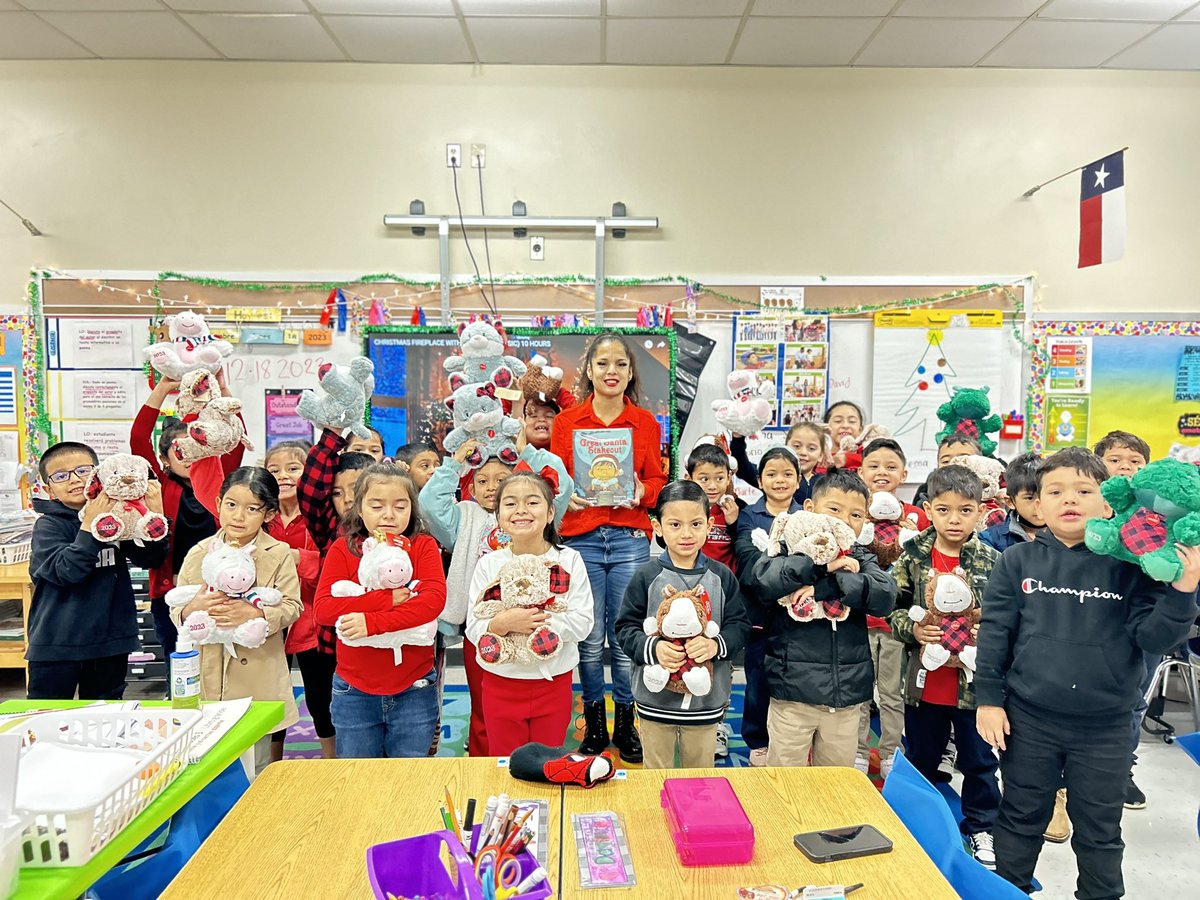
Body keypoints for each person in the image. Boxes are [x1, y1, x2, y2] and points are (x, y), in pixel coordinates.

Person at [975, 447, 1200, 899]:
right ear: (1037, 504)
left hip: (1106, 726)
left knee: (1099, 830)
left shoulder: (1132, 567)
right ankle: (1006, 892)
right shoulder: (1016, 562)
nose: (1069, 499)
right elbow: (995, 634)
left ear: (1107, 502)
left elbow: (1154, 639)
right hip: (1029, 719)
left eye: (1084, 489)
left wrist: (1182, 591)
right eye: (1054, 491)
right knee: (1020, 818)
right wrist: (988, 700)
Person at [551, 333, 668, 764]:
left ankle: (626, 725)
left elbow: (656, 483)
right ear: (590, 371)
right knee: (587, 637)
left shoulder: (645, 423)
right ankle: (595, 725)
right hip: (580, 536)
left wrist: (641, 491)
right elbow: (557, 482)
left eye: (620, 363)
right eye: (602, 364)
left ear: (630, 372)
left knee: (622, 639)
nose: (611, 371)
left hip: (628, 538)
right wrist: (567, 496)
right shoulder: (567, 423)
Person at [420, 437, 571, 757]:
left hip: (536, 623)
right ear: (470, 488)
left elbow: (564, 486)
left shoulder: (532, 519)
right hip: (487, 625)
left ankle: (537, 760)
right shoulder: (463, 519)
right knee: (484, 703)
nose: (491, 487)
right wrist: (456, 461)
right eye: (482, 481)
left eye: (501, 480)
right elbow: (430, 502)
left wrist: (527, 451)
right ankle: (483, 762)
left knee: (537, 704)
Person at [743, 469, 897, 768]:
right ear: (810, 508)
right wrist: (819, 564)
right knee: (786, 782)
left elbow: (884, 595)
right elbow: (763, 582)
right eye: (834, 509)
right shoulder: (784, 550)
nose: (843, 520)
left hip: (845, 697)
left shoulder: (860, 556)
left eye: (855, 515)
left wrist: (826, 587)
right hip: (792, 694)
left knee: (835, 782)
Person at [888, 465, 1001, 869]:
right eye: (944, 510)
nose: (955, 519)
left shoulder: (992, 559)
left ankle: (981, 828)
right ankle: (913, 824)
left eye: (965, 510)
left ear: (981, 513)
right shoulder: (913, 556)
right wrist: (913, 629)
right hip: (925, 683)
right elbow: (892, 609)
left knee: (980, 761)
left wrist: (982, 633)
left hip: (975, 687)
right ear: (928, 510)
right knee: (921, 756)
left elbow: (1005, 619)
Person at [172, 467, 302, 773]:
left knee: (254, 761)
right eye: (231, 505)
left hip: (257, 670)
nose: (239, 516)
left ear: (269, 514)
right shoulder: (200, 552)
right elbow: (176, 608)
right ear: (218, 503)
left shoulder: (278, 552)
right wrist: (193, 607)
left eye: (252, 509)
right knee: (206, 759)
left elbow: (292, 605)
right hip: (208, 669)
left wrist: (256, 613)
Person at [314, 463, 447, 758]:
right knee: (358, 779)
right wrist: (385, 600)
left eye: (400, 506)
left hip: (414, 686)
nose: (388, 514)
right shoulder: (343, 549)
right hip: (354, 690)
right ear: (359, 507)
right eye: (377, 505)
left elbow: (431, 603)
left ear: (412, 508)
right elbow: (323, 610)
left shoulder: (423, 546)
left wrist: (370, 624)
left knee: (409, 779)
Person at [616, 481, 750, 769]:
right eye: (675, 524)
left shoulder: (722, 576)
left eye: (696, 524)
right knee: (656, 774)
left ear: (709, 524)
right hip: (654, 700)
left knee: (699, 777)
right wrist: (653, 649)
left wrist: (716, 645)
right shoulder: (646, 576)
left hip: (706, 702)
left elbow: (740, 625)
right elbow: (625, 628)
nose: (686, 533)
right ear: (658, 527)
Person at [27, 441, 168, 700]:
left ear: (98, 473)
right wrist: (91, 524)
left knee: (105, 717)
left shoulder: (116, 517)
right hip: (57, 645)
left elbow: (150, 558)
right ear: (49, 489)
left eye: (83, 470)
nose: (74, 480)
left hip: (110, 642)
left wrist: (155, 515)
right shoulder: (48, 526)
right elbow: (68, 570)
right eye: (61, 476)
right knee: (47, 718)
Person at [466, 469, 593, 756]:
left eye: (532, 502)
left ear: (550, 513)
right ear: (498, 516)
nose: (521, 510)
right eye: (510, 503)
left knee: (548, 762)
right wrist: (500, 624)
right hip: (500, 683)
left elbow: (583, 622)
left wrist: (536, 622)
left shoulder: (568, 559)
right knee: (504, 763)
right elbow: (473, 625)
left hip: (553, 682)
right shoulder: (490, 564)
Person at [130, 373, 245, 660]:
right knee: (178, 663)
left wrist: (221, 391)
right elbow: (138, 439)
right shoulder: (158, 482)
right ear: (166, 459)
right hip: (173, 589)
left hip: (223, 588)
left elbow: (238, 439)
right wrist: (162, 388)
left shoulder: (221, 481)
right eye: (178, 450)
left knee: (220, 664)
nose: (189, 452)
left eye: (196, 443)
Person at [855, 437, 930, 779]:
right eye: (873, 466)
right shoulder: (854, 511)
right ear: (860, 471)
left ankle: (890, 752)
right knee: (857, 690)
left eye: (890, 467)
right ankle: (856, 750)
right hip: (857, 618)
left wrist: (913, 540)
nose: (881, 472)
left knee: (891, 692)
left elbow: (924, 568)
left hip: (896, 622)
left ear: (904, 474)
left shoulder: (915, 516)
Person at [1091, 430, 1154, 811]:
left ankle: (1121, 771)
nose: (1126, 468)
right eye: (1116, 460)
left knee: (1134, 701)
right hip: (1095, 619)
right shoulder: (1085, 508)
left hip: (1143, 620)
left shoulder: (1158, 515)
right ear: (1099, 467)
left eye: (1135, 462)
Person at [732, 446, 804, 766]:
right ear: (760, 481)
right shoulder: (749, 515)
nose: (780, 480)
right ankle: (758, 740)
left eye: (787, 474)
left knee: (795, 677)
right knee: (758, 678)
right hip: (761, 612)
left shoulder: (808, 515)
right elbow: (750, 563)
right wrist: (789, 573)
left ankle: (790, 738)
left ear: (799, 480)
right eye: (772, 474)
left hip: (800, 614)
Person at [263, 440, 329, 760]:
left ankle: (334, 762)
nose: (283, 476)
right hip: (269, 623)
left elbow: (328, 566)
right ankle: (270, 767)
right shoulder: (260, 518)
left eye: (293, 468)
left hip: (313, 621)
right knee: (272, 698)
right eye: (273, 470)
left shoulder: (318, 516)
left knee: (320, 698)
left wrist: (294, 557)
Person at [684, 442, 744, 575]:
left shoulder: (738, 507)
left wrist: (733, 524)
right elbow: (666, 541)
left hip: (726, 582)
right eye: (704, 479)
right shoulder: (682, 506)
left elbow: (743, 548)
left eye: (719, 478)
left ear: (728, 478)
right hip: (692, 579)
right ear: (689, 478)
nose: (712, 486)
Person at [980, 452, 1045, 553]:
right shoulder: (990, 539)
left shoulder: (1069, 535)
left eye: (1045, 496)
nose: (1039, 504)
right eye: (1029, 498)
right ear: (1010, 502)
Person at [913, 434, 984, 506]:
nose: (954, 465)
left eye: (964, 460)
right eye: (946, 461)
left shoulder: (991, 500)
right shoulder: (923, 502)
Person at [825, 401, 865, 469]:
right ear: (826, 427)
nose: (845, 426)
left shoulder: (868, 454)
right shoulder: (819, 457)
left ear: (861, 429)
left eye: (852, 421)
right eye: (838, 421)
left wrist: (847, 459)